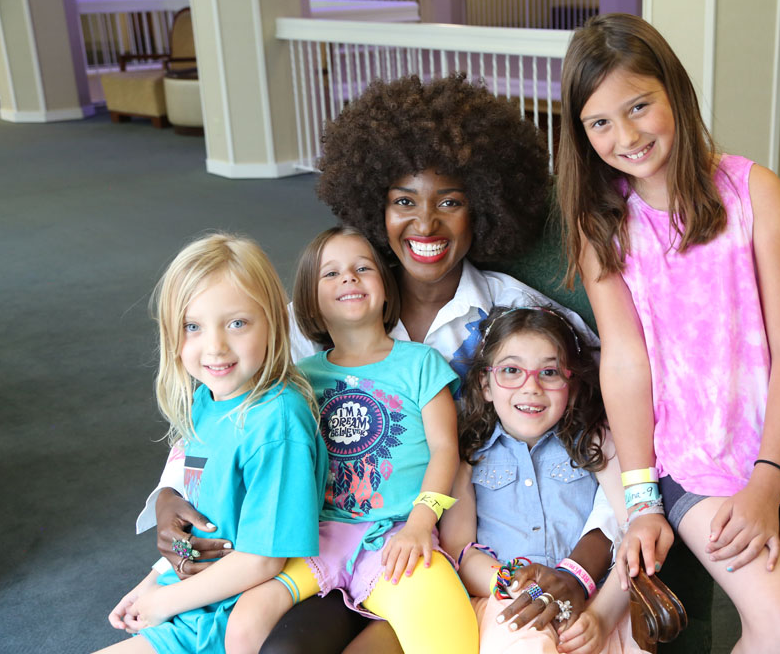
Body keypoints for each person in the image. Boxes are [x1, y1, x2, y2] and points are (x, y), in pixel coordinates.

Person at [146, 75, 608, 653]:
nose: (426, 224)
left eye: (451, 202)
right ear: (375, 210)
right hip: (324, 542)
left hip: (464, 549)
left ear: (484, 208)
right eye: (403, 202)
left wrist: (605, 542)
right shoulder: (319, 316)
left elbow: (605, 411)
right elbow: (227, 398)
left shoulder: (518, 312)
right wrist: (169, 492)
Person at [556, 13, 780, 653]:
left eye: (639, 106)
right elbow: (625, 362)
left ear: (674, 92)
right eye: (600, 122)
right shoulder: (604, 227)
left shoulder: (755, 191)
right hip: (690, 462)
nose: (625, 135)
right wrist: (642, 499)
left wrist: (767, 480)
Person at [224, 226, 478, 654]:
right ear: (309, 300)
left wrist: (420, 523)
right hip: (315, 537)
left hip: (397, 535)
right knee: (246, 625)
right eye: (331, 273)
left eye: (363, 268)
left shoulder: (420, 364)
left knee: (450, 636)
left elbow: (444, 450)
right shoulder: (299, 380)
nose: (349, 278)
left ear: (384, 287)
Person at [100, 233, 326, 654]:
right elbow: (209, 517)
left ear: (274, 321)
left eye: (237, 323)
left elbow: (263, 559)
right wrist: (149, 585)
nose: (215, 347)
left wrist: (163, 603)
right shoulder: (208, 400)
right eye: (193, 327)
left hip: (224, 612)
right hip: (191, 594)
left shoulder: (277, 422)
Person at [439, 306, 645, 654]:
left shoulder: (595, 443)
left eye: (549, 372)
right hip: (508, 604)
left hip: (594, 602)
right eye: (511, 370)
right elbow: (460, 551)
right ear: (484, 385)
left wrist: (602, 617)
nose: (530, 387)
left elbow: (635, 528)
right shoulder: (468, 457)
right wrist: (519, 586)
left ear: (573, 385)